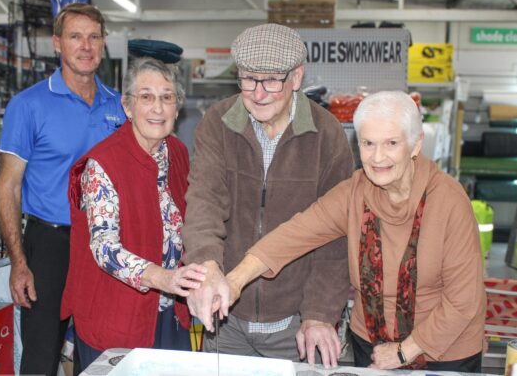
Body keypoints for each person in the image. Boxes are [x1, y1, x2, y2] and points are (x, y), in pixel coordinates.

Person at [212, 91, 486, 373]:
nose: (378, 157)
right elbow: (294, 234)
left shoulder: (449, 201)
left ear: (416, 145)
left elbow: (462, 302)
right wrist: (235, 280)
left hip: (444, 350)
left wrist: (404, 352)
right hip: (372, 345)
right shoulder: (354, 193)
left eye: (391, 143)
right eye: (368, 143)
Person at [182, 23, 354, 368]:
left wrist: (319, 313)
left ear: (297, 77)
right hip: (227, 320)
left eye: (272, 80)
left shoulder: (326, 134)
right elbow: (204, 201)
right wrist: (207, 268)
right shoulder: (218, 122)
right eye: (248, 79)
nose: (259, 93)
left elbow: (337, 234)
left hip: (297, 326)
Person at [0, 3, 125, 376]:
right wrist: (19, 262)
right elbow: (8, 185)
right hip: (49, 245)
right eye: (75, 37)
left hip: (105, 244)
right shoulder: (28, 105)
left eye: (94, 37)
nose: (86, 46)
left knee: (102, 354)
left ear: (103, 43)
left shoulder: (118, 105)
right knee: (41, 357)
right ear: (57, 43)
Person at [60, 57, 207, 373]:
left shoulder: (178, 153)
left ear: (177, 110)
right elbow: (104, 248)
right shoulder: (103, 163)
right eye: (146, 96)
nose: (158, 107)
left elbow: (192, 220)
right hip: (115, 313)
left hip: (170, 312)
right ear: (127, 107)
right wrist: (163, 277)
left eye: (167, 97)